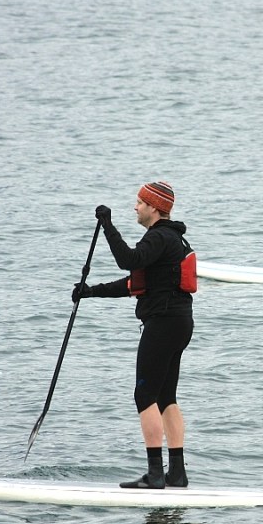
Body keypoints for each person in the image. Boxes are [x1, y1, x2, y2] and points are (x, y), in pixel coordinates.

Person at [72, 181, 195, 489]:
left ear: (154, 208)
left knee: (144, 395)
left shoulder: (159, 237)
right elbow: (134, 283)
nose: (136, 207)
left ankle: (155, 474)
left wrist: (107, 225)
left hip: (164, 324)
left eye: (140, 202)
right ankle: (176, 473)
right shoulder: (171, 240)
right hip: (178, 322)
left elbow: (128, 260)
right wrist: (90, 292)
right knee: (165, 397)